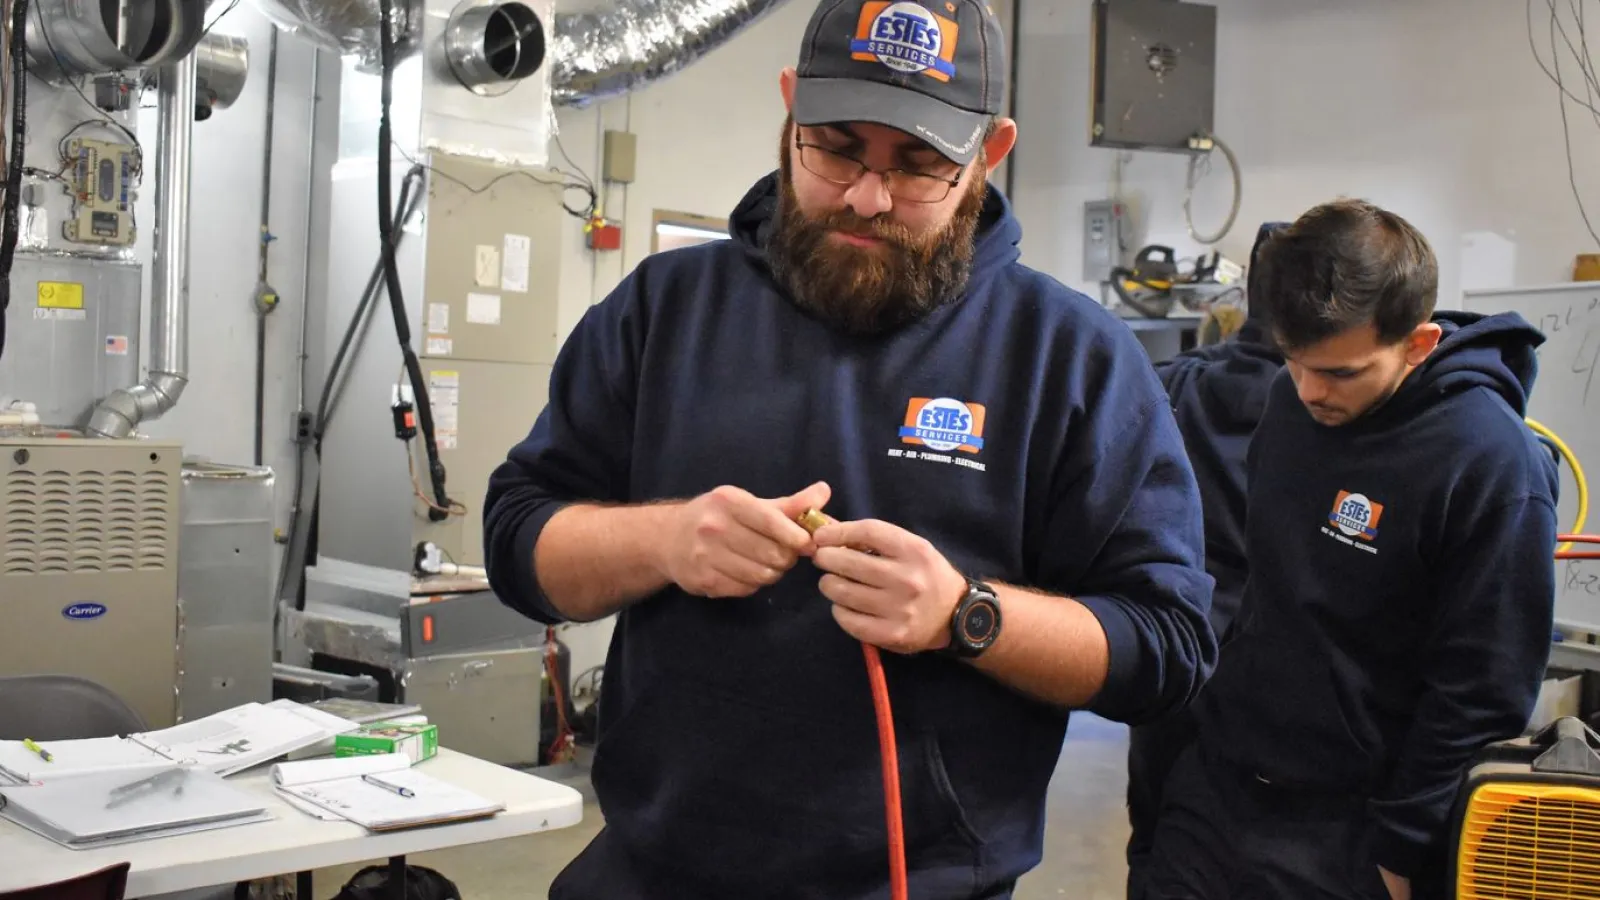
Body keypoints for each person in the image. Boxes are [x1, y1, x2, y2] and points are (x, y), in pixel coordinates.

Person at [481, 0, 1218, 896]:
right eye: (836, 149)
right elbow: (519, 543)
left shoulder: (1072, 359)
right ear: (788, 109)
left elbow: (1169, 648)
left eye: (919, 167)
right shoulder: (662, 312)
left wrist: (967, 615)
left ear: (990, 151)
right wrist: (665, 542)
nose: (868, 199)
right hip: (652, 871)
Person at [1143, 199, 1559, 900]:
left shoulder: (1490, 464)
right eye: (1295, 362)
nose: (1309, 391)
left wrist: (1399, 854)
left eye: (1341, 373)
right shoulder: (1289, 400)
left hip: (1352, 834)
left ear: (1419, 343)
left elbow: (1481, 689)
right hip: (1221, 788)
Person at [1123, 221, 1287, 898]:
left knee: (1159, 842)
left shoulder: (1178, 386)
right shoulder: (1336, 407)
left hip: (1178, 655)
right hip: (1278, 678)